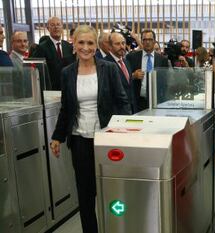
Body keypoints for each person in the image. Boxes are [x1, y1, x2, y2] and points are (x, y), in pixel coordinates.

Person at [50, 25, 131, 233]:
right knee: (85, 195)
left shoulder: (109, 69)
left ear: (97, 45)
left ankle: (116, 227)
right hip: (79, 140)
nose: (86, 48)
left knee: (111, 190)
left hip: (106, 139)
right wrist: (57, 137)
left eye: (90, 43)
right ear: (74, 44)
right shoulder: (67, 73)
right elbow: (66, 108)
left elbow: (122, 102)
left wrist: (123, 132)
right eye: (81, 43)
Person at [126, 29, 169, 111]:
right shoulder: (131, 57)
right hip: (138, 101)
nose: (147, 42)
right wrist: (133, 76)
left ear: (154, 41)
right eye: (145, 40)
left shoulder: (162, 59)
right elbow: (124, 78)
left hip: (157, 101)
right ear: (141, 41)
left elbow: (165, 82)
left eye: (150, 39)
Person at [31, 17, 75, 90]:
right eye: (52, 25)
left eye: (58, 24)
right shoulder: (42, 47)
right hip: (51, 88)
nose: (56, 27)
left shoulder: (68, 46)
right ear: (48, 28)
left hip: (68, 86)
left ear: (62, 27)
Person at [105, 32, 138, 113]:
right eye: (117, 44)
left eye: (123, 43)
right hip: (116, 113)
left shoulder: (126, 62)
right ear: (109, 46)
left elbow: (129, 87)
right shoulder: (105, 65)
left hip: (131, 110)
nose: (122, 46)